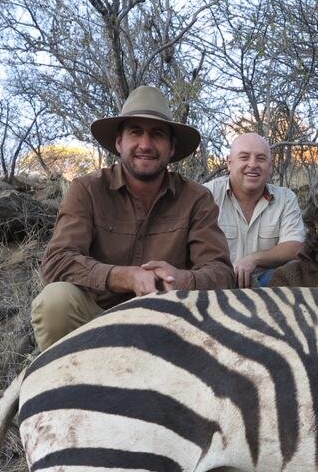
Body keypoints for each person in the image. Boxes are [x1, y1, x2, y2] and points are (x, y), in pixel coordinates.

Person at [32, 86, 234, 350]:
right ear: (119, 143)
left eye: (157, 135)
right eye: (135, 132)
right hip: (95, 321)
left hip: (169, 323)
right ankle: (62, 384)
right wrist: (124, 276)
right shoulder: (86, 189)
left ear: (171, 147)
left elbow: (221, 272)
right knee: (54, 302)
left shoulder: (197, 198)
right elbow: (57, 261)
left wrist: (182, 281)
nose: (146, 144)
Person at [205, 133, 305, 287]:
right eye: (244, 157)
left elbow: (295, 246)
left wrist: (254, 259)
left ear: (270, 166)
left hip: (265, 286)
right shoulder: (207, 195)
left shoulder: (285, 199)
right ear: (229, 163)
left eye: (261, 158)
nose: (253, 164)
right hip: (216, 285)